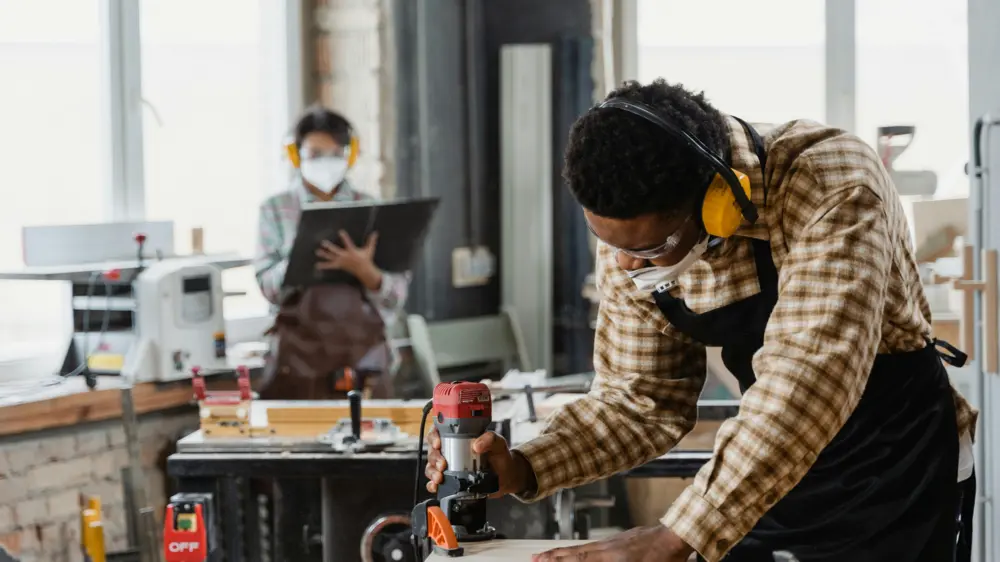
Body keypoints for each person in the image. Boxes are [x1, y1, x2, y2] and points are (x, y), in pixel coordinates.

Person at [424, 80, 978, 562]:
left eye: (650, 249)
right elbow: (641, 400)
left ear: (719, 202)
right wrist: (523, 465)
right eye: (607, 241)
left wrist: (676, 535)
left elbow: (807, 381)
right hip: (762, 469)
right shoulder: (632, 225)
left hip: (890, 466)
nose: (623, 264)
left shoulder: (829, 179)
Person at [254, 106, 409, 398]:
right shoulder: (275, 210)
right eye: (315, 154)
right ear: (296, 155)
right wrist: (301, 257)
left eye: (335, 154)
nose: (325, 163)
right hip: (297, 364)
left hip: (364, 364)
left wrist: (367, 272)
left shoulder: (372, 209)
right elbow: (267, 288)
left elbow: (397, 296)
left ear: (349, 156)